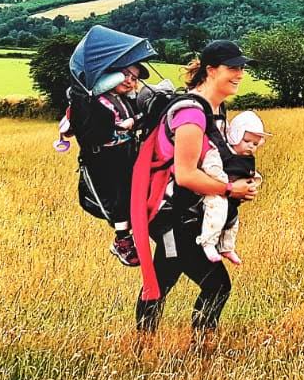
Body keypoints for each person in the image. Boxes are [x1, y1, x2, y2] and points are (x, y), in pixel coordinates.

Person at [134, 40, 258, 335]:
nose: (240, 73)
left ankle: (142, 346)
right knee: (217, 285)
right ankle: (202, 350)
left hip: (187, 212)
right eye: (233, 67)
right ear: (211, 70)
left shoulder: (215, 109)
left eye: (241, 67)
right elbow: (186, 175)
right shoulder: (191, 113)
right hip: (171, 215)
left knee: (161, 279)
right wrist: (230, 189)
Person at [65, 62, 150, 266]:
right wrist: (120, 126)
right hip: (104, 158)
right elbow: (91, 129)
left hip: (127, 153)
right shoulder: (92, 102)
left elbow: (139, 117)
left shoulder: (125, 100)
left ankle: (136, 231)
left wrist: (136, 121)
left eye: (135, 78)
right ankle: (123, 240)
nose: (130, 81)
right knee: (118, 197)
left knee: (134, 192)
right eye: (126, 75)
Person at [196, 110, 266, 265]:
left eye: (255, 144)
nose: (251, 146)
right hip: (218, 193)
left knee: (232, 222)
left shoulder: (247, 159)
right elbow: (211, 167)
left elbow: (251, 173)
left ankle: (226, 247)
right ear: (235, 135)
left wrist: (252, 182)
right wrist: (226, 185)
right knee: (216, 214)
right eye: (246, 141)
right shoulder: (222, 152)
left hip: (233, 200)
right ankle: (208, 242)